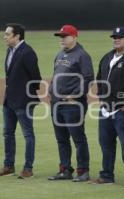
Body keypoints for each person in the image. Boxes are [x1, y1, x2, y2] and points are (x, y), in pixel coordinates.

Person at [91, 27, 124, 187]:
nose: (116, 39)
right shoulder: (107, 57)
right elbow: (99, 78)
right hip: (106, 109)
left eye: (120, 37)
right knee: (105, 143)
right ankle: (107, 175)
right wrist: (101, 97)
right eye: (114, 37)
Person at [0, 23, 42, 179]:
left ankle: (28, 168)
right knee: (8, 133)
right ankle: (9, 166)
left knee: (28, 135)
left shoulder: (27, 52)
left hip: (23, 101)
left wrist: (27, 98)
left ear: (17, 36)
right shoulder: (10, 50)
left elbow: (36, 78)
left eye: (7, 34)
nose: (4, 37)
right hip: (9, 100)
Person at [47, 25, 94, 182]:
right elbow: (56, 74)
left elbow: (88, 78)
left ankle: (83, 171)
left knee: (78, 138)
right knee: (61, 138)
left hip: (73, 105)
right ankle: (65, 169)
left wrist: (75, 96)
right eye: (60, 36)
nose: (62, 39)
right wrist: (51, 90)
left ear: (74, 37)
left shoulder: (82, 55)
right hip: (57, 103)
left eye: (65, 36)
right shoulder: (60, 54)